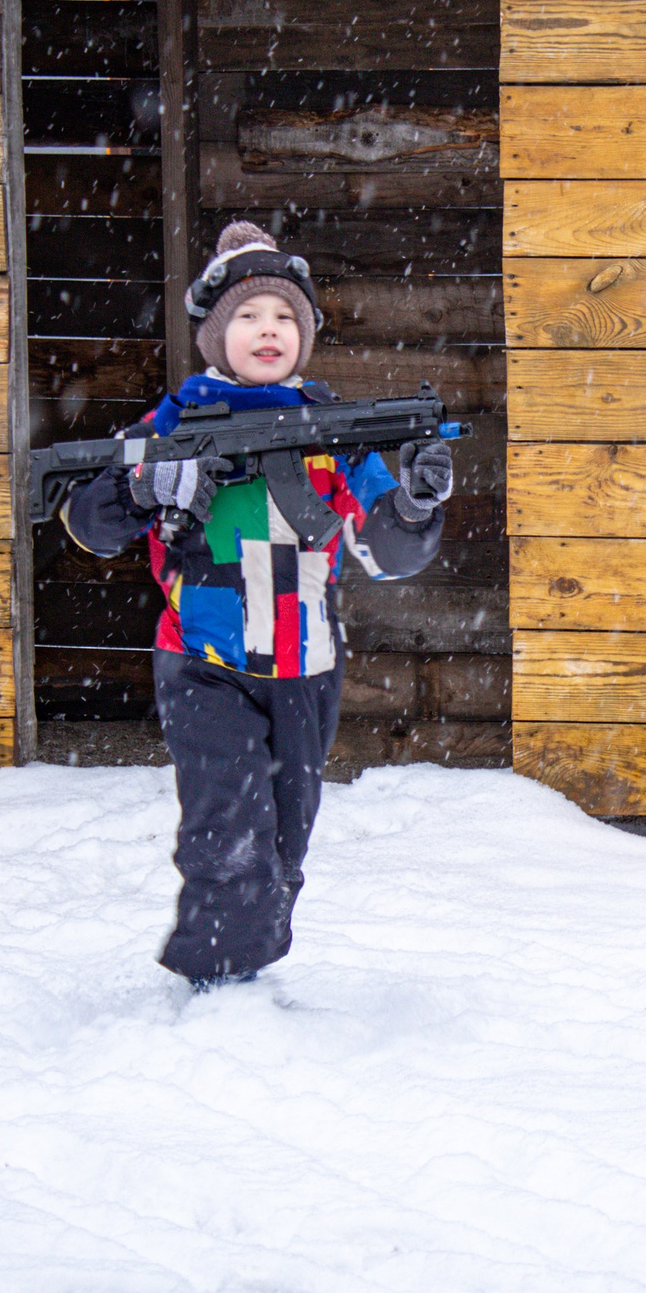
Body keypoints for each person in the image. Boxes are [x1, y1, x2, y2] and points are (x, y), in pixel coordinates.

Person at [64, 221, 454, 990]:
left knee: (282, 837)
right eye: (247, 316)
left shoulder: (334, 432)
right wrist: (143, 485)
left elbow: (384, 551)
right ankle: (214, 986)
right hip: (205, 662)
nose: (267, 329)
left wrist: (414, 504)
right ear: (216, 336)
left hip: (305, 667)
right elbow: (88, 524)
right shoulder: (170, 424)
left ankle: (248, 968)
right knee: (225, 832)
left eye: (283, 317)